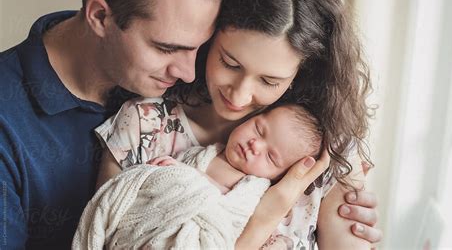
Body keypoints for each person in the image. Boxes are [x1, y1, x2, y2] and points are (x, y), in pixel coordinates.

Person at [0, 0, 380, 248]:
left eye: (270, 81)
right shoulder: (142, 121)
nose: (240, 95)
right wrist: (267, 214)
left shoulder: (324, 149)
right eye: (230, 63)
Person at [73, 103, 327, 249]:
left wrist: (188, 179)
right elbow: (155, 188)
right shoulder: (200, 154)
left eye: (270, 157)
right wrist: (160, 174)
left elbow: (230, 221)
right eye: (259, 129)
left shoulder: (255, 191)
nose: (254, 146)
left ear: (279, 175)